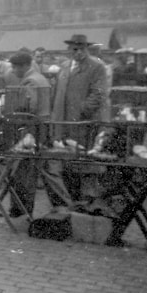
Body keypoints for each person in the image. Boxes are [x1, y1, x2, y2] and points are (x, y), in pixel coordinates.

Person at [47, 34, 107, 205]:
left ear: (87, 49)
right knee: (65, 164)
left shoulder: (96, 67)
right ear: (69, 50)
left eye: (82, 49)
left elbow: (99, 93)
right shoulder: (64, 68)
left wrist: (82, 111)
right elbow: (56, 94)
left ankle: (85, 206)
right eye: (75, 49)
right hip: (62, 124)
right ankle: (70, 206)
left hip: (81, 124)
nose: (78, 52)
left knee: (83, 165)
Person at [5, 51, 52, 218]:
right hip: (42, 128)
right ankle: (23, 209)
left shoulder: (30, 81)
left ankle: (19, 209)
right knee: (31, 172)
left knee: (21, 171)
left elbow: (30, 107)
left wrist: (16, 113)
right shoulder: (41, 78)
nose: (13, 70)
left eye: (15, 67)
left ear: (24, 66)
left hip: (30, 129)